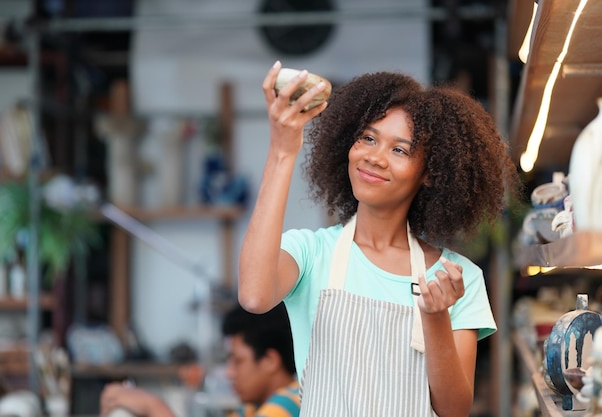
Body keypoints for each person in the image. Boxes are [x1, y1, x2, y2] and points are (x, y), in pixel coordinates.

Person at [238, 61, 520, 417]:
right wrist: (282, 151)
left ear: (430, 174)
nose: (374, 157)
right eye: (368, 138)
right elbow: (253, 296)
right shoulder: (310, 254)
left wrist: (435, 317)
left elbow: (454, 410)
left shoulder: (456, 278)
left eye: (399, 150)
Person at [99, 302, 300, 417]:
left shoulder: (289, 404)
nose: (230, 372)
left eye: (237, 361)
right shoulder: (251, 407)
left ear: (270, 361)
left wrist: (154, 406)